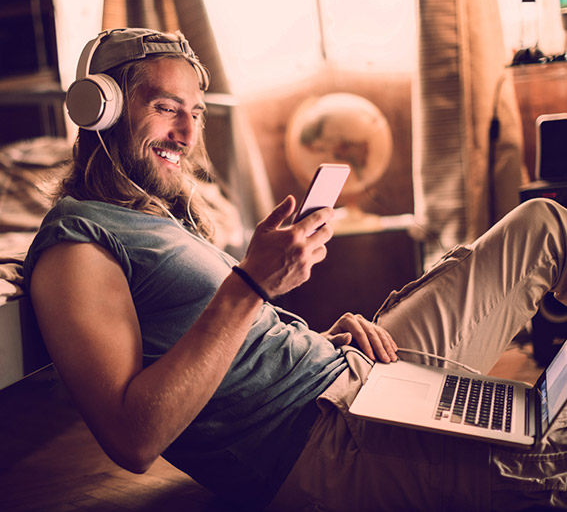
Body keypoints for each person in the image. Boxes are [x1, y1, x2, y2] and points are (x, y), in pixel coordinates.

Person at [23, 28, 567, 512]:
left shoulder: (156, 217)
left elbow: (226, 346)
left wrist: (318, 340)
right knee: (554, 466)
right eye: (167, 108)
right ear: (101, 109)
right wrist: (251, 285)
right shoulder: (78, 244)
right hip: (321, 447)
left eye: (196, 113)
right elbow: (132, 440)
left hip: (356, 368)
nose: (187, 136)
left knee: (545, 222)